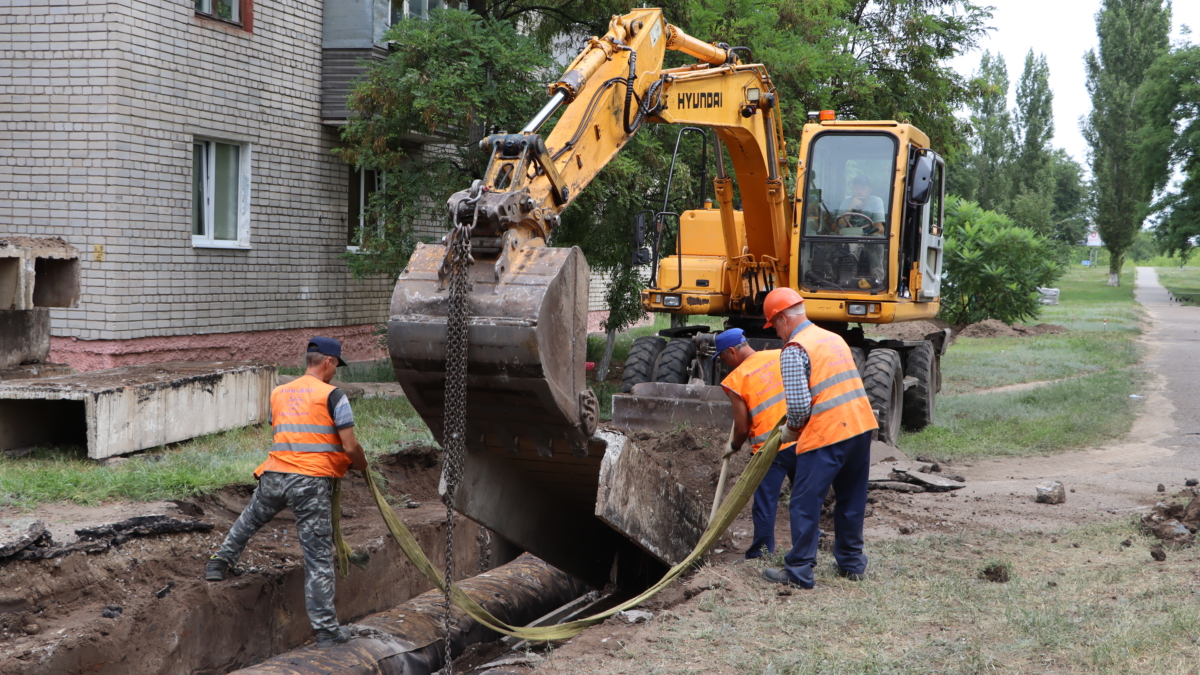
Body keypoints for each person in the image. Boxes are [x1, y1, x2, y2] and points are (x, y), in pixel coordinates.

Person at [205, 337, 368, 648]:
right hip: (309, 483)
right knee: (318, 557)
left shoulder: (279, 392)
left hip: (275, 474)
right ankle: (327, 632)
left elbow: (285, 429)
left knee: (249, 520)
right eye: (335, 367)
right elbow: (349, 445)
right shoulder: (334, 395)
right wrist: (360, 464)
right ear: (328, 363)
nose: (335, 373)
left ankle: (217, 563)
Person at [757, 288, 877, 589]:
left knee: (804, 502)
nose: (778, 334)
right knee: (851, 498)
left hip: (828, 433)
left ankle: (799, 571)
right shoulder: (832, 338)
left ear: (783, 318)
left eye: (775, 327)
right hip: (860, 427)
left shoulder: (795, 349)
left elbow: (798, 407)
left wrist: (790, 432)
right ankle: (851, 564)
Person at [714, 328, 797, 559]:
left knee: (765, 502)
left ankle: (761, 553)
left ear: (731, 351)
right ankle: (810, 541)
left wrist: (733, 446)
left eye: (722, 357)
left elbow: (741, 428)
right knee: (804, 496)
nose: (724, 363)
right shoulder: (779, 355)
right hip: (800, 436)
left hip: (770, 449)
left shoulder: (736, 380)